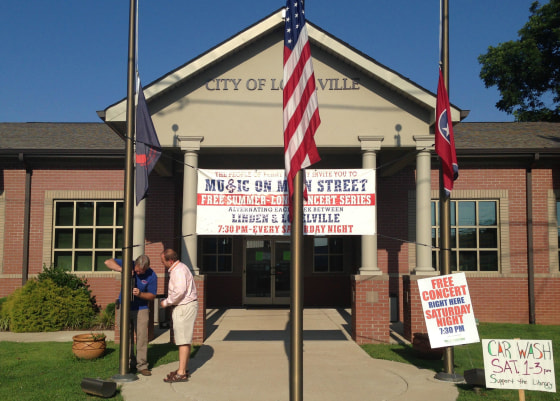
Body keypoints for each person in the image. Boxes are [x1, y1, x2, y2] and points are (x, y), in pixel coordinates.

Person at [104, 255, 157, 376]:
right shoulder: (129, 264)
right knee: (125, 336)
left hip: (141, 308)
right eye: (137, 270)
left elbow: (152, 296)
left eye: (141, 271)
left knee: (142, 337)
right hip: (125, 306)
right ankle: (127, 363)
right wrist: (122, 269)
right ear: (135, 264)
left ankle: (142, 365)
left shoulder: (151, 275)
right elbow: (108, 261)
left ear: (147, 268)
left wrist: (140, 294)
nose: (138, 273)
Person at [160, 248, 198, 383]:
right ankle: (183, 369)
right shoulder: (180, 268)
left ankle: (181, 373)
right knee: (184, 340)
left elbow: (180, 292)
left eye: (163, 261)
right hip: (185, 306)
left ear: (170, 260)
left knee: (182, 341)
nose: (162, 264)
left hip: (183, 307)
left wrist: (166, 302)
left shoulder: (179, 271)